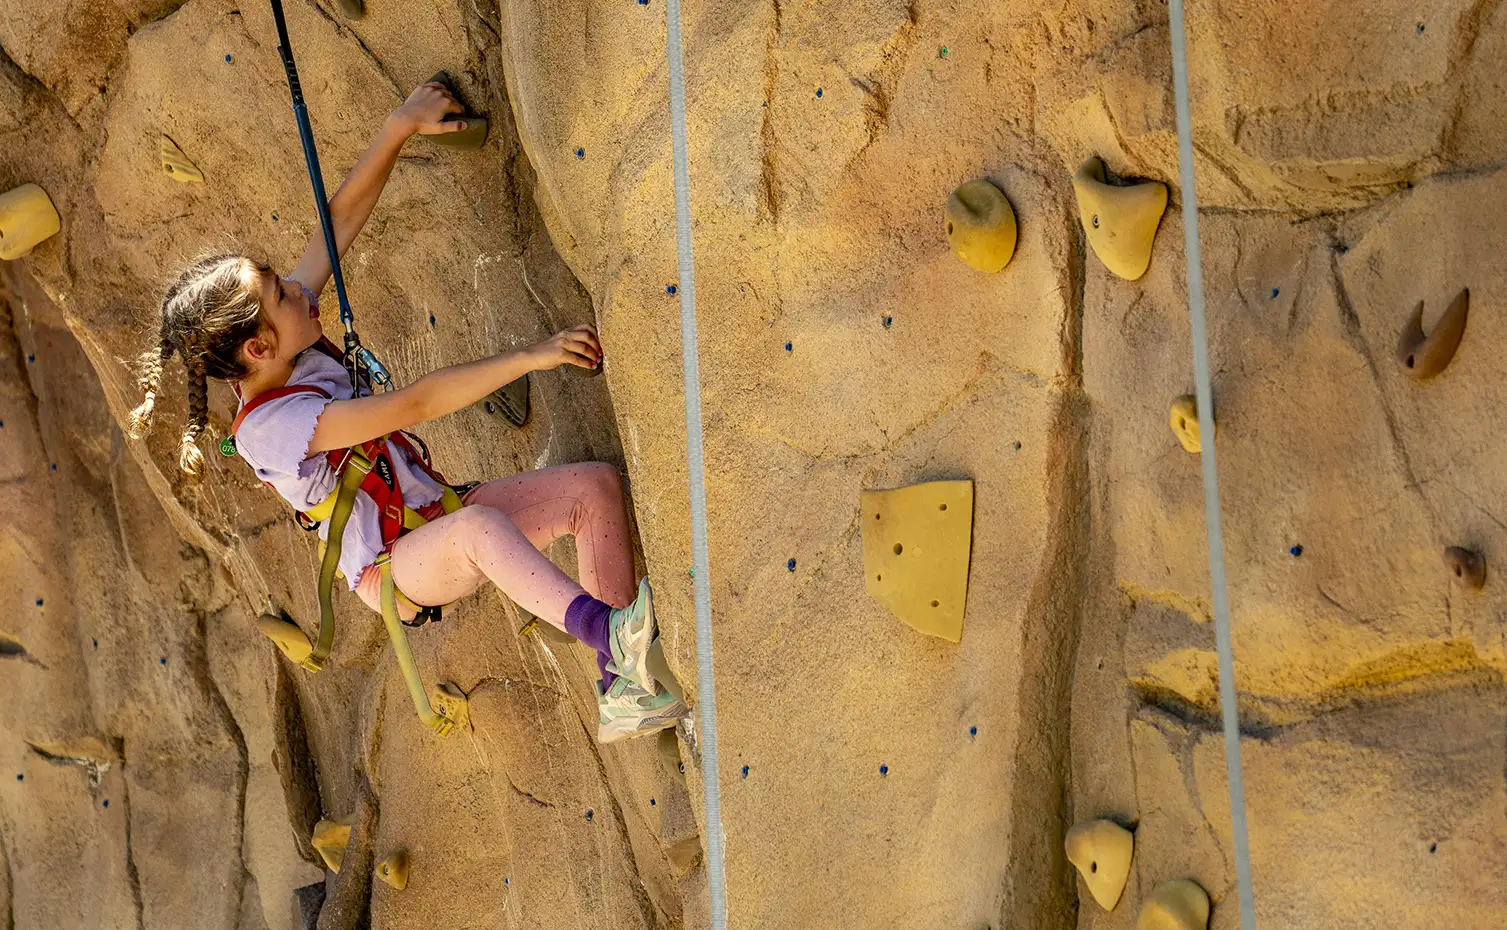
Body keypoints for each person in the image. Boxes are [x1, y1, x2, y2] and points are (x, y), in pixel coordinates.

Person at [125, 79, 684, 743]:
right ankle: (609, 632)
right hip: (394, 569)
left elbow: (335, 227)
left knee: (591, 490)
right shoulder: (270, 431)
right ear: (258, 346)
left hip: (432, 518)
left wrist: (399, 127)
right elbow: (415, 404)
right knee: (478, 529)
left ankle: (623, 689)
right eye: (281, 293)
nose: (300, 291)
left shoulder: (286, 347)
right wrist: (530, 357)